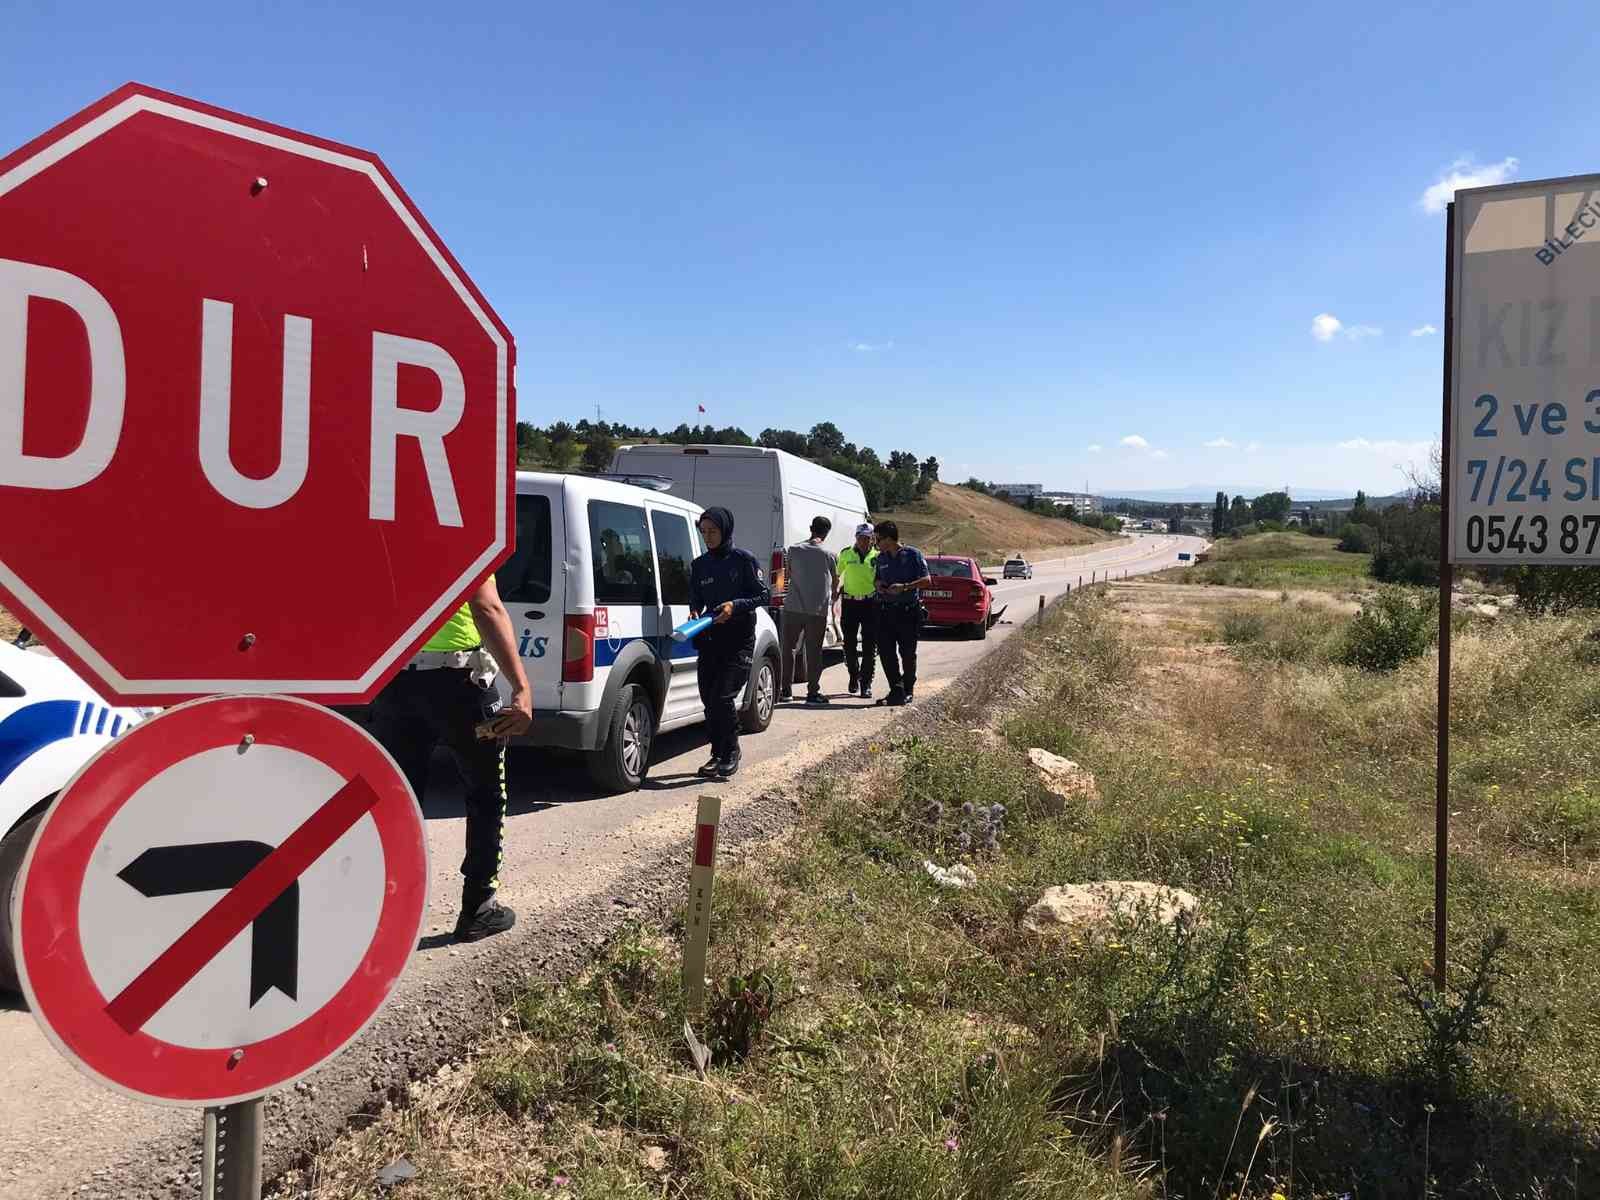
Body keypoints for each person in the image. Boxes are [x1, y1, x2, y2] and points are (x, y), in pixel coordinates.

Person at [369, 575, 533, 943]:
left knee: (399, 800)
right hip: (460, 684)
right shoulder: (460, 528)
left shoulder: (386, 529)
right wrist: (521, 688)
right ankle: (479, 908)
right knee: (486, 795)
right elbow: (486, 606)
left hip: (395, 684)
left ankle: (391, 912)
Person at [690, 506, 771, 778]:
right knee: (708, 700)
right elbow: (696, 599)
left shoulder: (743, 560)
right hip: (711, 640)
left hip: (739, 642)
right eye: (704, 532)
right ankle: (717, 753)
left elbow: (762, 596)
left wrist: (734, 606)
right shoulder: (699, 565)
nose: (708, 537)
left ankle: (732, 750)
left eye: (713, 531)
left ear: (725, 530)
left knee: (723, 697)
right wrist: (693, 612)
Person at [779, 516, 839, 705]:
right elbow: (836, 585)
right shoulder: (830, 555)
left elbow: (787, 575)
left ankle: (786, 691)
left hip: (793, 607)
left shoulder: (794, 550)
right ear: (826, 533)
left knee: (788, 649)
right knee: (814, 652)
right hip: (817, 611)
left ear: (811, 528)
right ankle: (812, 693)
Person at [872, 520, 932, 707]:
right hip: (886, 611)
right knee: (885, 652)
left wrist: (905, 587)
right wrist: (879, 585)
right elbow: (877, 579)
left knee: (907, 654)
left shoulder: (913, 554)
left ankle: (908, 690)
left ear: (889, 539)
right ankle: (896, 690)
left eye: (879, 539)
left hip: (908, 612)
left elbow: (927, 580)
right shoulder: (881, 558)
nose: (876, 543)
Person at [835, 523, 879, 699]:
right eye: (861, 537)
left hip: (870, 604)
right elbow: (837, 575)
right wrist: (835, 591)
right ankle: (854, 675)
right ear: (856, 537)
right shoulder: (846, 553)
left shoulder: (878, 556)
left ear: (872, 539)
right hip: (850, 604)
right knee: (849, 644)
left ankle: (866, 684)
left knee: (870, 646)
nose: (863, 541)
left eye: (867, 538)